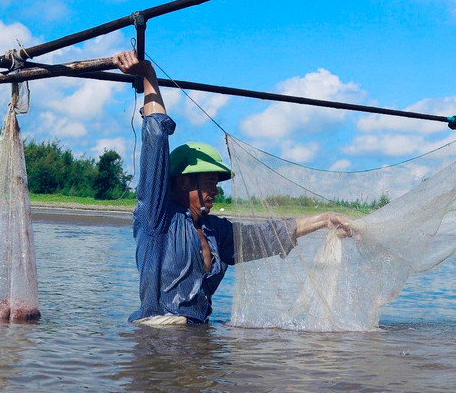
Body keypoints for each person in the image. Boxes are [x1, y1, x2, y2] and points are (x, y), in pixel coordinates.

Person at [114, 50, 356, 326]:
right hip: (157, 338)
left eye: (217, 184)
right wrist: (149, 76)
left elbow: (267, 236)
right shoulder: (156, 220)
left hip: (197, 338)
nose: (216, 192)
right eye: (209, 183)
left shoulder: (215, 232)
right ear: (183, 182)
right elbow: (156, 139)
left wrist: (326, 220)